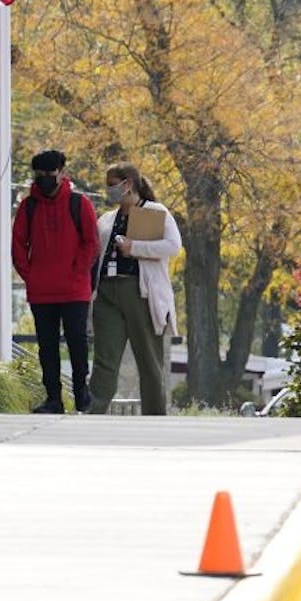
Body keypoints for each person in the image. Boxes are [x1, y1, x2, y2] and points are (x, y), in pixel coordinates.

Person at [87, 162, 182, 415]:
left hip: (141, 293)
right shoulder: (107, 219)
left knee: (149, 361)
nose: (109, 191)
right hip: (107, 293)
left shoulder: (154, 211)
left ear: (127, 184)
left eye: (112, 185)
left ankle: (154, 416)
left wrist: (135, 248)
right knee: (105, 359)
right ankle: (93, 411)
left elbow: (173, 246)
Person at [11, 150, 100, 414]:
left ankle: (81, 392)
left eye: (49, 175)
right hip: (42, 290)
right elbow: (18, 244)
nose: (44, 180)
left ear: (62, 173)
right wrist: (31, 274)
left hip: (74, 289)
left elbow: (91, 243)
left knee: (77, 340)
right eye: (39, 176)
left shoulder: (78, 203)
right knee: (46, 346)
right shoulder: (29, 206)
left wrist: (78, 270)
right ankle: (53, 398)